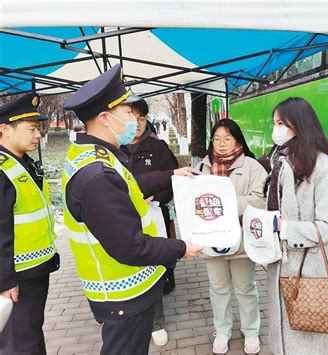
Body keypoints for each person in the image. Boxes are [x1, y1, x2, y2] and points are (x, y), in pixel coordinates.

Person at [61, 64, 202, 355]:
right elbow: (130, 246)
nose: (135, 119)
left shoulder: (96, 157)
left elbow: (128, 185)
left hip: (125, 290)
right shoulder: (97, 174)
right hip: (121, 294)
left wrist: (171, 175)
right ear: (105, 118)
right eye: (128, 112)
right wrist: (179, 248)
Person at [265, 97, 328, 355]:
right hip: (281, 264)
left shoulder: (325, 167)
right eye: (274, 123)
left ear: (300, 125)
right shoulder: (279, 162)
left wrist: (286, 230)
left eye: (281, 123)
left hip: (309, 271)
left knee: (308, 340)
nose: (275, 129)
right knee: (284, 335)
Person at [197, 119, 267, 354]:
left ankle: (251, 331)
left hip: (241, 241)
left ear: (238, 140)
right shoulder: (202, 167)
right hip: (212, 241)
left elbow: (260, 200)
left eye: (227, 139)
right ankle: (223, 330)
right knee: (218, 289)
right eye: (217, 139)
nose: (221, 144)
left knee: (245, 288)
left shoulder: (252, 166)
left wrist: (223, 204)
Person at [0, 93, 60, 354]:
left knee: (31, 332)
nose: (38, 135)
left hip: (33, 271)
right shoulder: (3, 171)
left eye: (39, 128)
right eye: (31, 129)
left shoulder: (22, 162)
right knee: (21, 343)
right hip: (16, 278)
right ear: (4, 129)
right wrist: (4, 282)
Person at [121, 98, 179, 346]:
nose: (138, 123)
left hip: (154, 219)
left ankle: (156, 322)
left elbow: (173, 183)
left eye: (142, 118)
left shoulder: (159, 149)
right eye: (132, 118)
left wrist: (157, 196)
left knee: (154, 270)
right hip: (123, 222)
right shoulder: (114, 150)